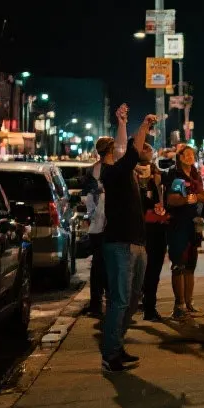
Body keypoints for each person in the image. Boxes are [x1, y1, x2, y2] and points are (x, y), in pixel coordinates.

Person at [99, 105, 155, 374]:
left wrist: (124, 123)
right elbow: (130, 150)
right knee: (120, 300)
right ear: (111, 155)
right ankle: (110, 354)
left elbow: (129, 151)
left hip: (136, 243)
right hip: (120, 244)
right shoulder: (112, 173)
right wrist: (140, 125)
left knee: (133, 299)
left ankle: (116, 345)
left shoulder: (128, 174)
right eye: (117, 151)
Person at [164, 145, 204, 321]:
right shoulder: (174, 174)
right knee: (178, 265)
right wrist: (187, 199)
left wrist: (197, 198)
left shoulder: (195, 173)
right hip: (178, 225)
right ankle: (179, 305)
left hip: (193, 224)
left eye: (192, 154)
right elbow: (171, 200)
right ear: (179, 157)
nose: (190, 157)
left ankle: (188, 304)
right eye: (186, 154)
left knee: (191, 266)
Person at [80, 136, 114, 317]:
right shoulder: (94, 170)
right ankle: (98, 302)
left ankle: (103, 302)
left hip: (107, 223)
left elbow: (85, 196)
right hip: (101, 224)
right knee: (101, 264)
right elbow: (86, 196)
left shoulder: (104, 169)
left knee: (104, 264)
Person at [136, 144, 167, 322]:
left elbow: (161, 197)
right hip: (142, 227)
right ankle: (142, 303)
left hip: (157, 226)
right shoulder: (133, 174)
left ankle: (150, 305)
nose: (148, 154)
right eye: (144, 150)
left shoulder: (157, 173)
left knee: (154, 269)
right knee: (143, 269)